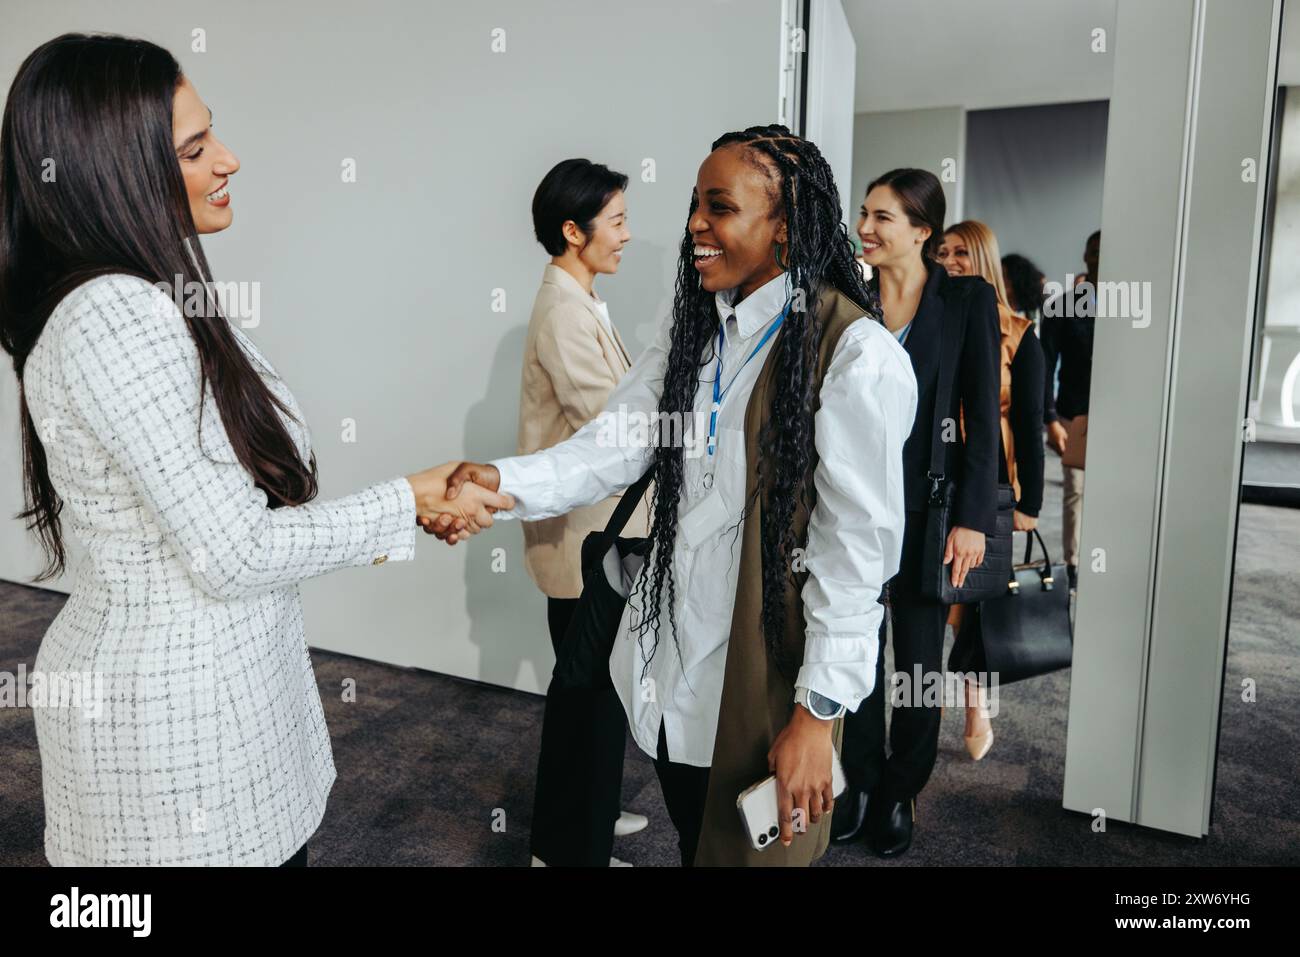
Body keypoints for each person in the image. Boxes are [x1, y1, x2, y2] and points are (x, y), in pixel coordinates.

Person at [0, 33, 506, 866]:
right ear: (112, 172)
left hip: (215, 705)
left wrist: (410, 506)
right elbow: (231, 552)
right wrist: (408, 501)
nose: (228, 159)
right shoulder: (117, 316)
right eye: (195, 149)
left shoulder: (153, 294)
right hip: (170, 737)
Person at [426, 125, 918, 867]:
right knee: (696, 838)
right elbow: (612, 445)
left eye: (718, 207)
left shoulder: (856, 356)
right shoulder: (693, 330)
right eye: (695, 204)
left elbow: (854, 557)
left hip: (761, 685)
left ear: (784, 229)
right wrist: (503, 483)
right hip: (669, 670)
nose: (693, 223)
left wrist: (818, 715)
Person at [832, 169, 1001, 857]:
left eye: (883, 217)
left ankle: (902, 788)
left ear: (922, 230)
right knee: (859, 651)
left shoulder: (964, 299)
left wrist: (973, 518)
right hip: (856, 507)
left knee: (920, 663)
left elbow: (983, 417)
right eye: (863, 214)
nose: (865, 228)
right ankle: (864, 782)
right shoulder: (849, 297)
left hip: (930, 512)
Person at [520, 158, 650, 865]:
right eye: (618, 221)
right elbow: (615, 429)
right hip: (582, 544)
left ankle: (587, 819)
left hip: (600, 537)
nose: (628, 234)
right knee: (586, 697)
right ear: (574, 230)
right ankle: (566, 850)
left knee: (597, 695)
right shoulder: (564, 313)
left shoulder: (582, 301)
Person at [937, 221, 1046, 760]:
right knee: (932, 599)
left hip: (993, 478)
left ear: (983, 259)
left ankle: (976, 707)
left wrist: (1031, 505)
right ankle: (922, 705)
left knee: (975, 602)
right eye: (943, 252)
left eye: (961, 253)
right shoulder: (930, 317)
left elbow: (1029, 423)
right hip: (935, 472)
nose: (951, 260)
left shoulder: (1020, 333)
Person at [1042, 230, 1100, 590]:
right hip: (1074, 412)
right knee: (1076, 489)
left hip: (1120, 414)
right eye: (1094, 251)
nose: (1099, 258)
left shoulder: (1131, 304)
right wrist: (1049, 417)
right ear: (1084, 256)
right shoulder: (1064, 305)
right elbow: (1046, 366)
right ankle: (1074, 561)